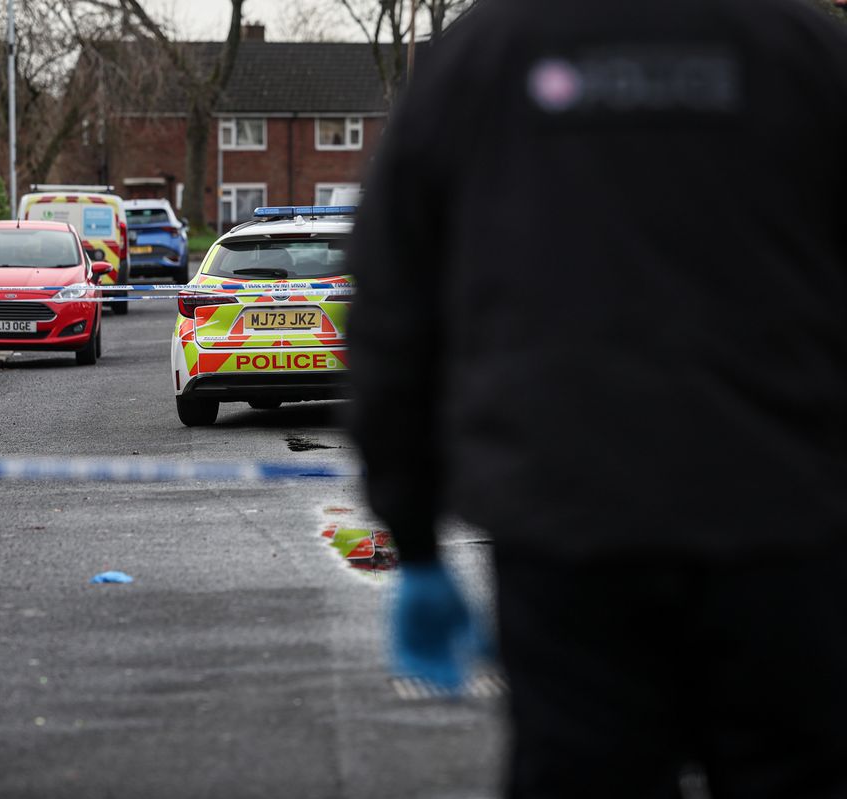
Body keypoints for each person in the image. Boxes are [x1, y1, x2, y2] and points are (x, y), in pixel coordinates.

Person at [347, 0, 847, 795]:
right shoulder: (805, 52)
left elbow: (393, 306)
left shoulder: (483, 57)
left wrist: (415, 533)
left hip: (568, 525)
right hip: (782, 524)